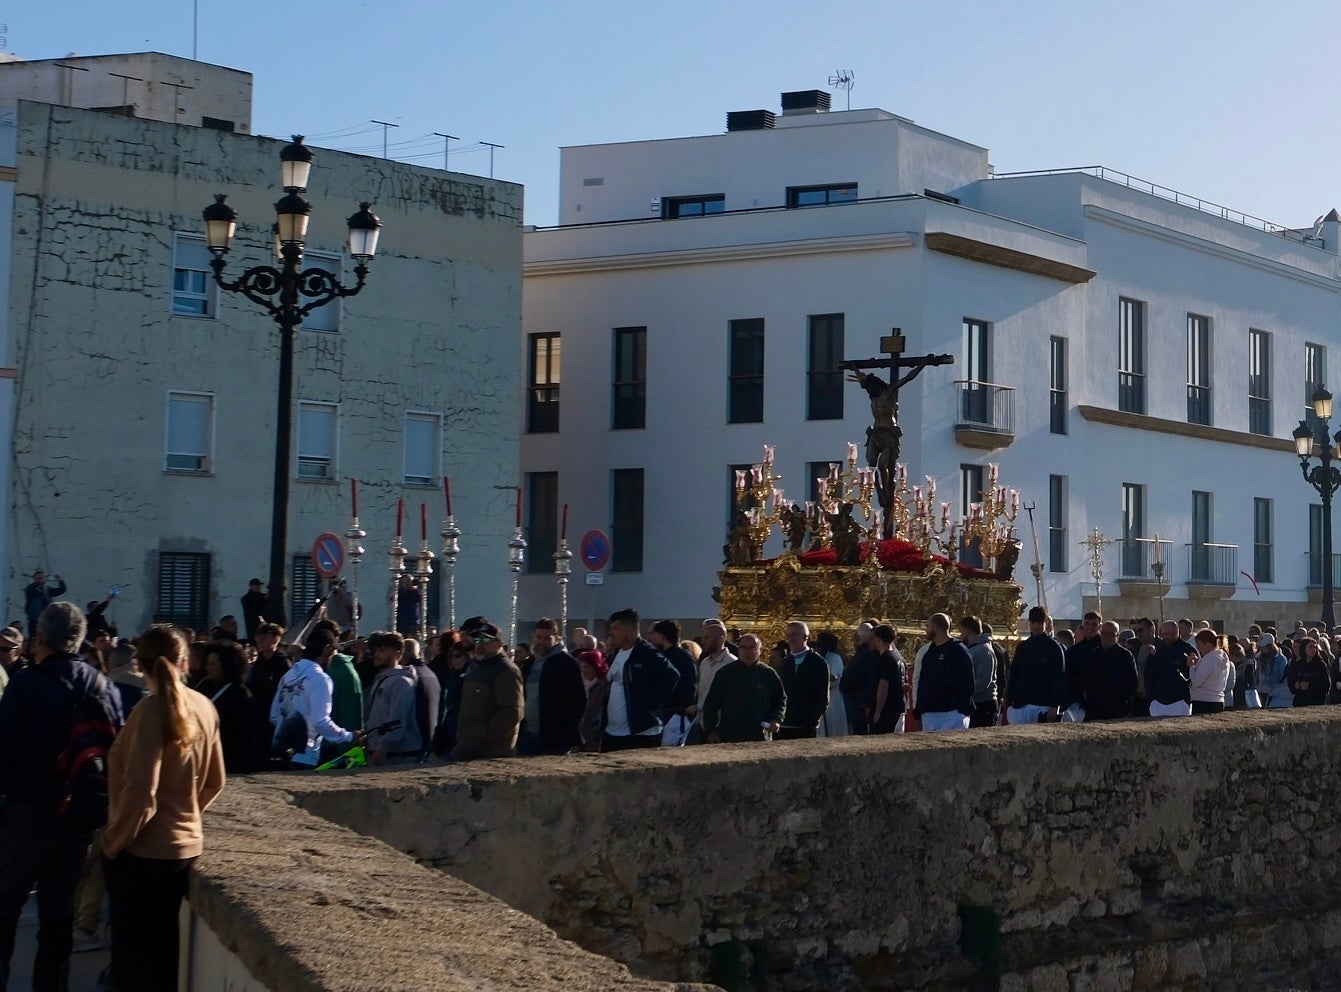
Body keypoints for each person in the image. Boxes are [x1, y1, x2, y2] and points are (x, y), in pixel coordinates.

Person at [0, 602, 123, 990]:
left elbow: (4, 750)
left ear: (41, 637)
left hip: (29, 810)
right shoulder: (103, 684)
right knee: (58, 916)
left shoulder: (26, 683)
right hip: (81, 814)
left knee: (5, 908)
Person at [103, 623, 225, 992]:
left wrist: (112, 842)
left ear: (138, 665)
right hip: (184, 850)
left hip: (141, 854)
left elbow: (142, 794)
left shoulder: (148, 711)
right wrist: (186, 817)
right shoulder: (204, 706)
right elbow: (215, 781)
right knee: (163, 962)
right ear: (185, 661)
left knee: (132, 964)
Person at [269, 629, 356, 768]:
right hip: (304, 758)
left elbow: (273, 716)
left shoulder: (288, 675)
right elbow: (320, 721)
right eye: (334, 651)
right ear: (327, 649)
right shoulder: (320, 679)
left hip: (278, 755)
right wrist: (349, 736)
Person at [601, 609, 680, 752]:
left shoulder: (647, 653)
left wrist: (649, 704)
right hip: (612, 733)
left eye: (615, 628)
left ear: (630, 630)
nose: (611, 633)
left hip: (640, 734)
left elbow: (672, 675)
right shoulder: (616, 654)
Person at [452, 620, 524, 761]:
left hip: (491, 753)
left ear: (498, 643)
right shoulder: (476, 666)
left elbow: (512, 711)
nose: (480, 644)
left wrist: (482, 737)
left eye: (486, 640)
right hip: (467, 749)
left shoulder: (506, 670)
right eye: (478, 639)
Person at [518, 618, 587, 755]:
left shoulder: (567, 664)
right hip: (527, 733)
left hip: (555, 738)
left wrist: (568, 731)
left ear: (556, 639)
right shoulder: (530, 663)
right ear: (533, 636)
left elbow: (579, 700)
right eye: (539, 637)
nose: (542, 642)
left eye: (547, 638)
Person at [701, 634, 786, 743]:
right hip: (730, 735)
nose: (747, 651)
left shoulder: (768, 674)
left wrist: (776, 719)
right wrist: (711, 730)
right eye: (743, 647)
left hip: (760, 735)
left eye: (752, 648)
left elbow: (780, 700)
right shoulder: (725, 673)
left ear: (760, 650)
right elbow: (711, 704)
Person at [362, 631, 424, 764]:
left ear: (397, 652)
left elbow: (397, 720)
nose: (377, 654)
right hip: (381, 752)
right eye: (376, 650)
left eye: (382, 650)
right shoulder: (383, 679)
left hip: (396, 756)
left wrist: (382, 748)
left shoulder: (400, 682)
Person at [195, 640, 253, 773]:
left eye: (213, 664)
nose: (207, 667)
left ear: (226, 666)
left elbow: (244, 733)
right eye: (207, 663)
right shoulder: (203, 686)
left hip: (227, 757)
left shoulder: (239, 693)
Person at [913, 613, 975, 731]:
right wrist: (919, 710)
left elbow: (967, 682)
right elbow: (923, 682)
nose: (926, 629)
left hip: (952, 714)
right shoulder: (929, 653)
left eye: (928, 626)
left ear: (936, 627)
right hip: (930, 713)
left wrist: (961, 709)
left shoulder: (958, 650)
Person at [1005, 606, 1066, 724]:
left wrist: (1054, 706)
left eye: (1039, 622)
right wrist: (1009, 698)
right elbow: (1014, 675)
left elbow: (1059, 678)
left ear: (1045, 623)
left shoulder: (1054, 648)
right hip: (1021, 705)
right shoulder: (1023, 647)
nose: (1036, 626)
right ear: (1029, 623)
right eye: (1033, 622)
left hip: (1043, 705)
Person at [245, 622, 290, 767]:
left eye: (264, 638)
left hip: (275, 715)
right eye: (258, 639)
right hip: (259, 713)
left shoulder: (282, 663)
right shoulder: (260, 662)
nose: (259, 642)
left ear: (275, 639)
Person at [775, 621, 830, 740]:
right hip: (785, 724)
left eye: (794, 635)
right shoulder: (784, 663)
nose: (790, 639)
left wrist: (812, 721)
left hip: (806, 726)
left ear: (805, 637)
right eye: (788, 635)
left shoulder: (818, 663)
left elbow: (823, 697)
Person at [647, 620, 698, 747]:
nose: (650, 638)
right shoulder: (662, 656)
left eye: (653, 634)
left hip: (675, 717)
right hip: (663, 715)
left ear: (662, 635)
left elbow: (689, 686)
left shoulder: (682, 658)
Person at [1080, 621, 1139, 721]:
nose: (1107, 637)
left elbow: (1132, 683)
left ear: (1117, 635)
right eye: (1104, 633)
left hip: (1117, 710)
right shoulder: (1093, 654)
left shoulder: (1125, 656)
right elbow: (1085, 680)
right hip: (1094, 709)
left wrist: (1121, 703)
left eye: (1111, 634)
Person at [692, 619, 736, 743]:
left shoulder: (732, 664)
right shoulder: (704, 663)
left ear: (721, 638)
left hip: (721, 726)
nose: (703, 641)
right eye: (703, 637)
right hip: (702, 723)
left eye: (707, 637)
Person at [430, 639, 472, 758]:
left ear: (468, 657)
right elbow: (443, 713)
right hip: (449, 735)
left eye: (458, 656)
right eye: (451, 657)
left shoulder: (471, 678)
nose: (454, 660)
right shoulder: (451, 679)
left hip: (464, 736)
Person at [1146, 621, 1194, 718]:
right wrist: (1151, 700)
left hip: (1180, 702)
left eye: (1167, 634)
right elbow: (1148, 675)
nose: (1164, 637)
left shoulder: (1187, 650)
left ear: (1176, 632)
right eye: (1162, 634)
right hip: (1158, 703)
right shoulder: (1157, 650)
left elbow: (1191, 675)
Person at [840, 623, 882, 734]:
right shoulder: (875, 655)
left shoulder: (862, 656)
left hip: (859, 705)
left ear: (858, 638)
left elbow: (849, 682)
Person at [959, 616, 999, 728]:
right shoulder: (972, 649)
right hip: (973, 702)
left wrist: (962, 689)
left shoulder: (984, 650)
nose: (960, 635)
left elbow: (983, 682)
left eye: (961, 631)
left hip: (983, 704)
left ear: (967, 630)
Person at [868, 624, 907, 733]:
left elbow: (883, 686)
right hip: (898, 707)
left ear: (879, 640)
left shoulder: (885, 659)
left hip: (888, 711)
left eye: (873, 639)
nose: (870, 642)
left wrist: (878, 711)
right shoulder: (898, 657)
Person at [813, 631, 849, 737]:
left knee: (835, 728)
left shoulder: (834, 657)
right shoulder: (819, 657)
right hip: (822, 695)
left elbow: (834, 676)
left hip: (833, 696)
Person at [575, 650, 611, 752]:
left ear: (596, 666)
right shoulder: (584, 684)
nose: (583, 670)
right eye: (581, 667)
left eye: (586, 667)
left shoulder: (602, 686)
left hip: (596, 732)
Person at [1189, 630, 1230, 715]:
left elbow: (1196, 682)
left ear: (1208, 644)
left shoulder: (1209, 659)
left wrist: (1192, 667)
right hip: (1218, 701)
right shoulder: (1223, 657)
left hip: (1203, 701)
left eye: (1200, 645)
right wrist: (1198, 664)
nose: (1198, 649)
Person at [1287, 636, 1330, 708]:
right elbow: (1291, 679)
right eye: (1310, 647)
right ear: (1304, 648)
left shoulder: (1320, 665)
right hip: (1300, 701)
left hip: (1316, 701)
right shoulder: (1298, 664)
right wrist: (1295, 685)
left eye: (1315, 647)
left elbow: (1326, 684)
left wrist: (1310, 686)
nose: (1313, 649)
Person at [1256, 634, 1292, 709]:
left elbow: (1281, 678)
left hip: (1273, 693)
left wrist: (1272, 687)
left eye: (1264, 646)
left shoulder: (1281, 660)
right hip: (1260, 691)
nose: (1262, 648)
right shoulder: (1260, 657)